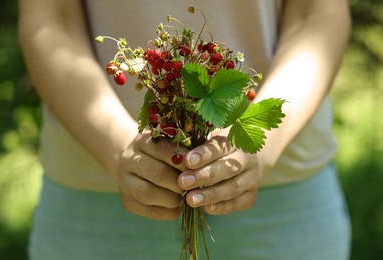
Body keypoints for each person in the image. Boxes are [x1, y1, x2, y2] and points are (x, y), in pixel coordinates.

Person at [18, 0, 352, 259]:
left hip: (282, 198)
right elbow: (51, 18)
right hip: (91, 202)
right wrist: (117, 146)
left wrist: (260, 145)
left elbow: (317, 12)